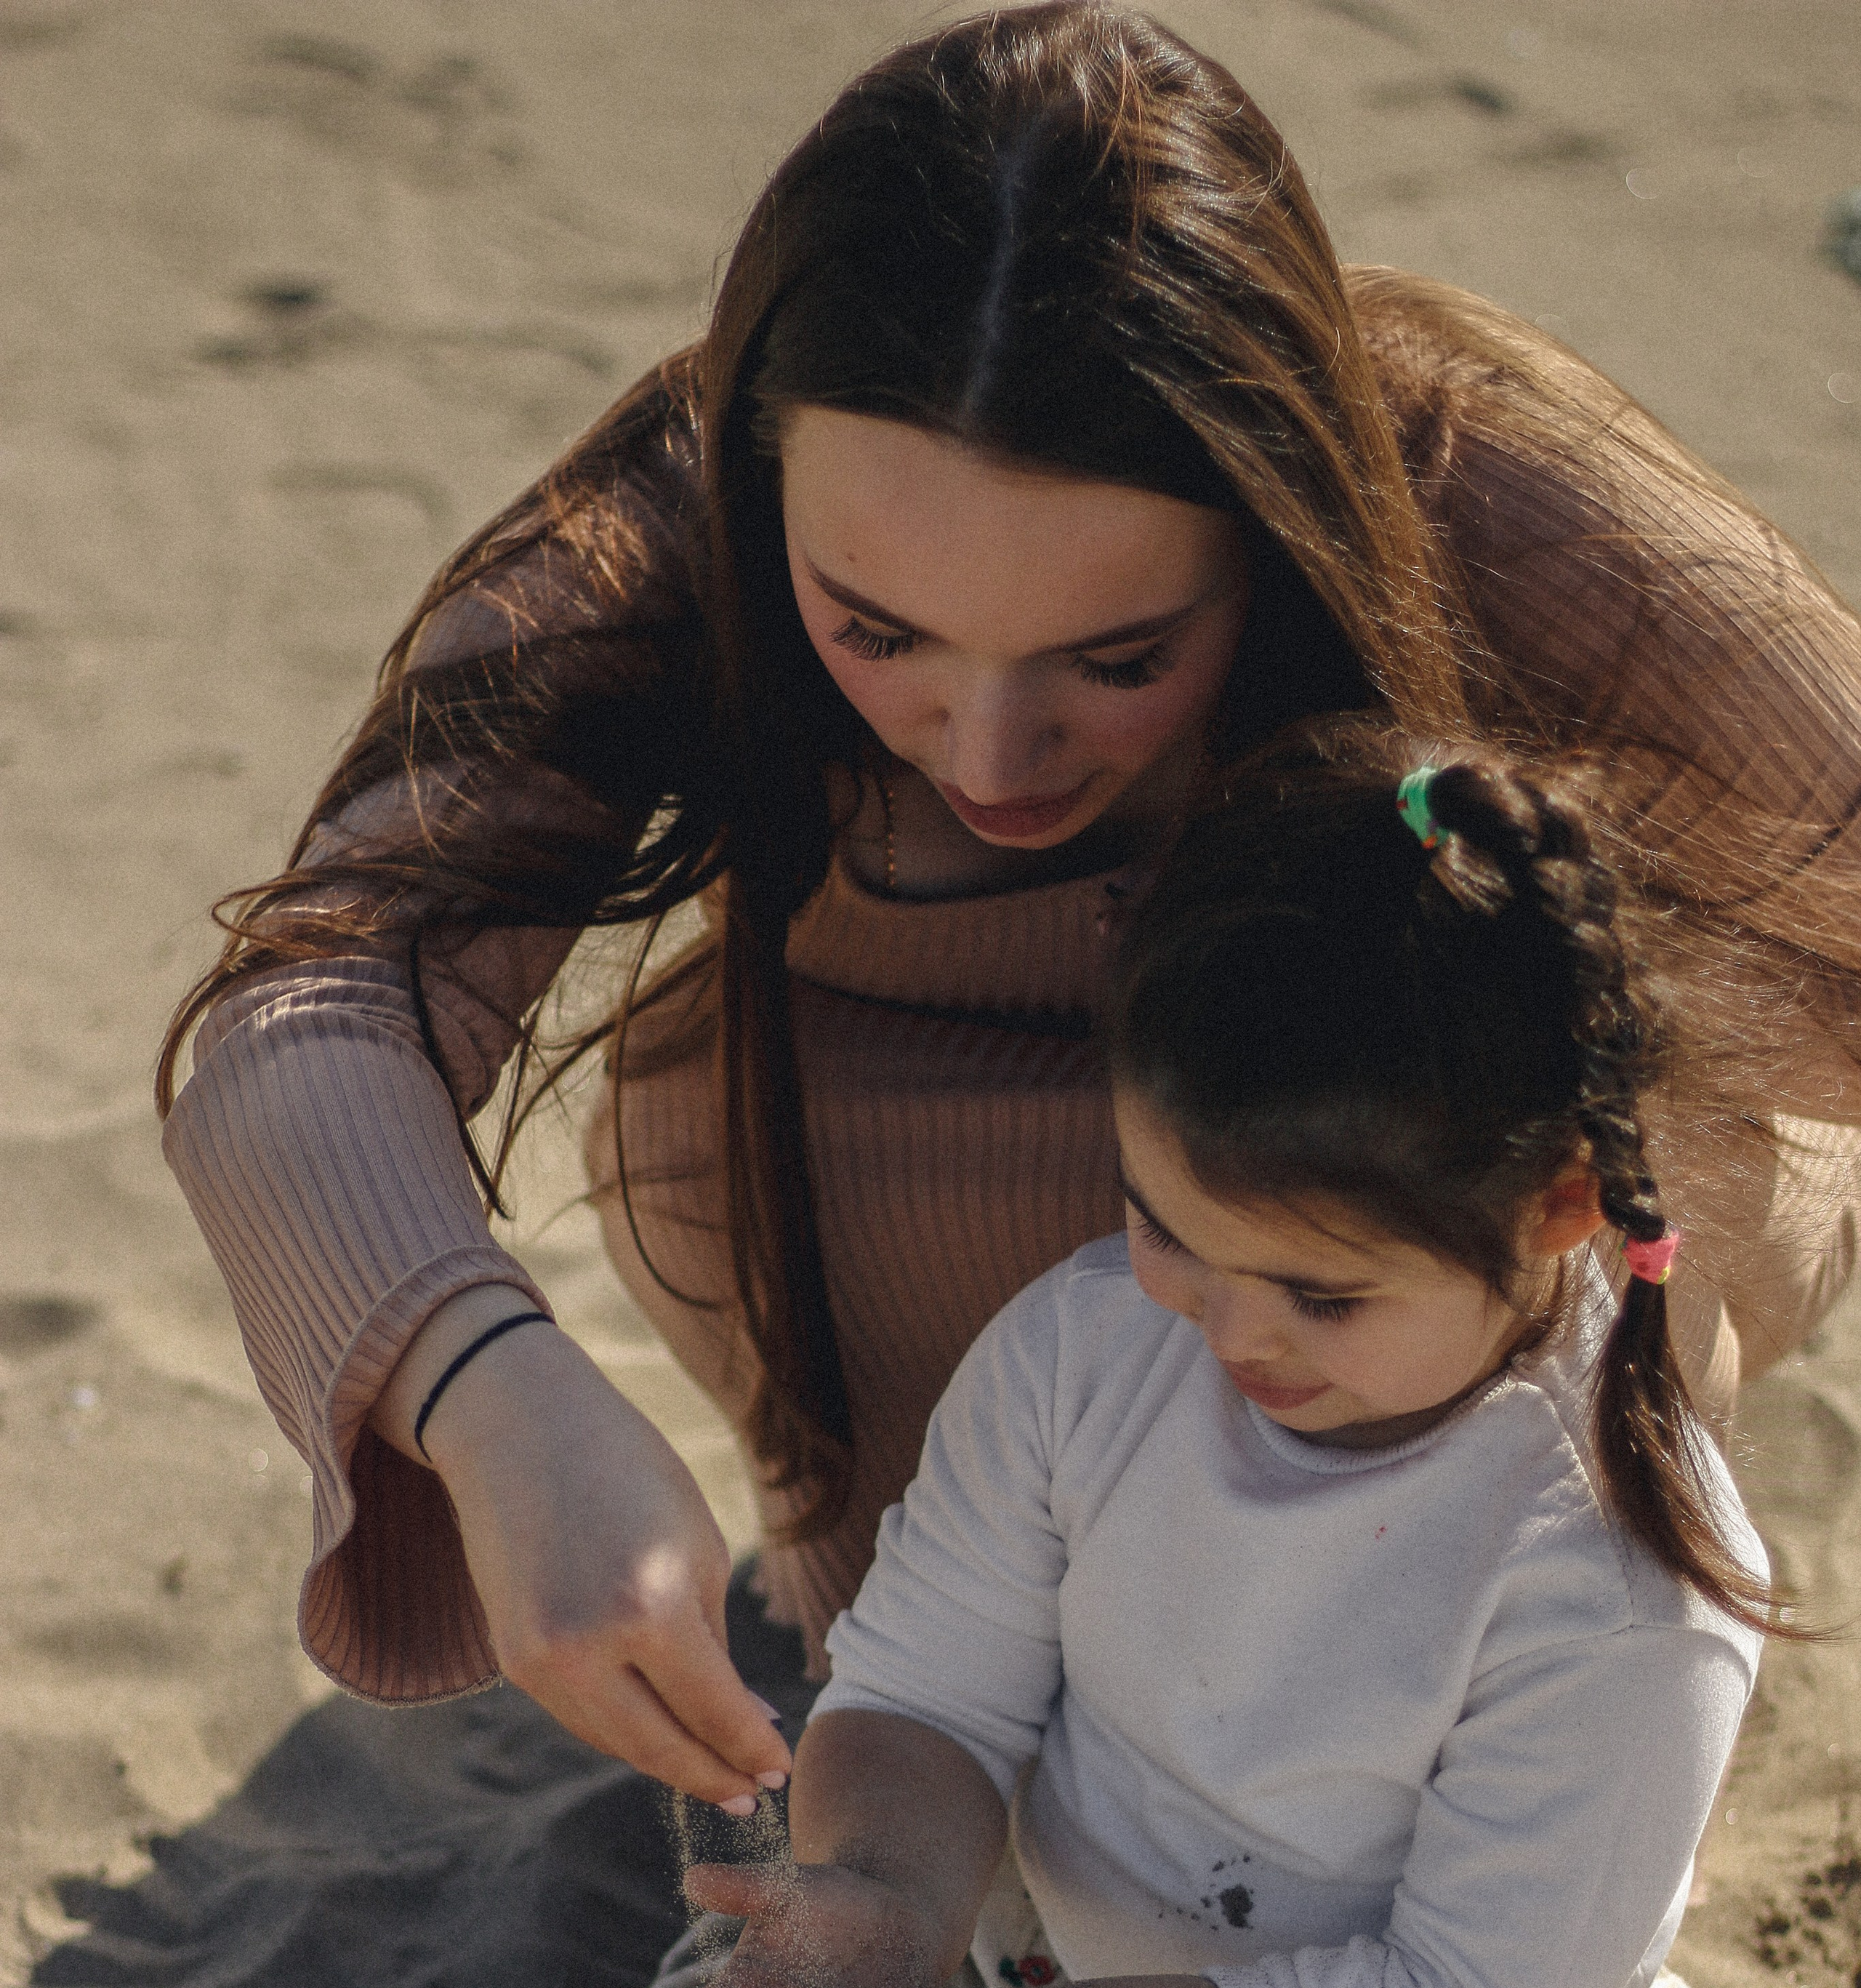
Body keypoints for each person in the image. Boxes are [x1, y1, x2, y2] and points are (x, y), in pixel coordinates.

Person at [158, 6, 1861, 1815]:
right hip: (884, 1187)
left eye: (1118, 657)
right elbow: (310, 996)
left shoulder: (1466, 473)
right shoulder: (663, 530)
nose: (992, 750)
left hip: (1425, 1141)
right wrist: (487, 1390)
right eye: (875, 633)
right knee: (979, 1697)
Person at [566, 748, 1861, 1988]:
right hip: (1034, 1979)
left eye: (1318, 1295)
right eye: (1167, 1223)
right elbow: (928, 1684)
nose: (1223, 1328)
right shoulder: (1093, 1347)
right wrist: (880, 1902)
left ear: (1560, 1206)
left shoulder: (1606, 1565)